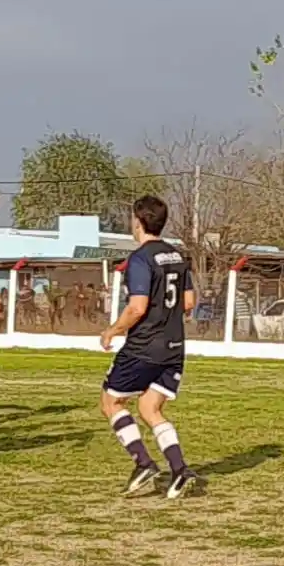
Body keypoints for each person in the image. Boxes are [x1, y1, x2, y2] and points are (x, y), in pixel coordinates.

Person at [99, 196, 198, 500]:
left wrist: (112, 330)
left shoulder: (140, 259)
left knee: (111, 403)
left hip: (144, 346)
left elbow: (137, 307)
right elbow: (190, 302)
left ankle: (143, 463)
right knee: (149, 408)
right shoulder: (177, 256)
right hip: (174, 347)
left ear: (138, 222)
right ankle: (179, 470)